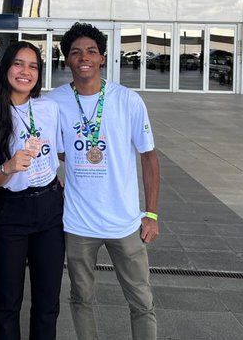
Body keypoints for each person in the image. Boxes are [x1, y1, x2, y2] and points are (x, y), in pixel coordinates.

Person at [48, 22, 160, 340]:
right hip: (78, 224)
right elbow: (53, 151)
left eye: (91, 51)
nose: (84, 57)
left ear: (102, 58)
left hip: (125, 223)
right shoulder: (54, 102)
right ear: (67, 60)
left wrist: (150, 213)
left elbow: (149, 157)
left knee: (142, 302)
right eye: (75, 52)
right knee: (81, 299)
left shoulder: (127, 100)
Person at [0, 41, 65, 340]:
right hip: (10, 211)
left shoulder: (49, 108)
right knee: (6, 302)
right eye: (18, 64)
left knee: (47, 301)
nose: (25, 72)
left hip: (51, 210)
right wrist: (8, 168)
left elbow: (58, 153)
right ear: (5, 69)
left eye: (33, 66)